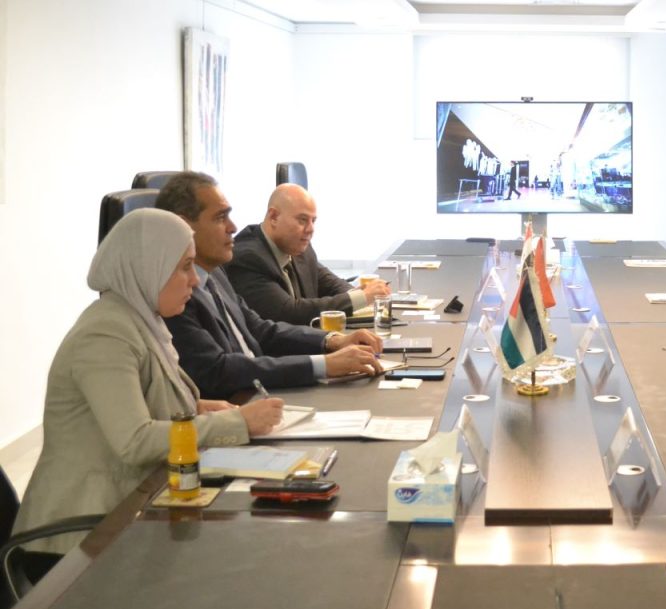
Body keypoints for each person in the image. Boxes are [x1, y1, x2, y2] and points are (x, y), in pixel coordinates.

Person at [13, 209, 285, 558]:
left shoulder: (143, 319)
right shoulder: (105, 334)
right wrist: (237, 422)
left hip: (132, 508)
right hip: (79, 539)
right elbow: (135, 440)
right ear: (148, 266)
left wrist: (199, 408)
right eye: (184, 267)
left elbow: (145, 400)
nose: (195, 281)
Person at [157, 172, 383, 399]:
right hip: (238, 404)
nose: (232, 227)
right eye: (220, 218)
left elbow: (260, 330)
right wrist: (324, 364)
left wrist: (332, 341)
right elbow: (218, 371)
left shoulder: (214, 273)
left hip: (265, 393)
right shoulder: (173, 294)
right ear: (183, 226)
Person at [225, 183, 390, 325]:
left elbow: (330, 283)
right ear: (274, 217)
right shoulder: (247, 258)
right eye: (302, 220)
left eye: (313, 221)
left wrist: (364, 296)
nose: (311, 229)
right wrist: (363, 296)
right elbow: (289, 312)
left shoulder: (298, 245)